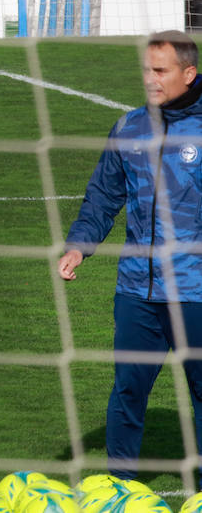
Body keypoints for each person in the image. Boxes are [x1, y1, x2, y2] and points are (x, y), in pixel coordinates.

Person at [59, 31, 202, 481]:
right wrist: (79, 245)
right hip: (137, 290)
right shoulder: (129, 127)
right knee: (127, 391)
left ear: (189, 73)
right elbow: (102, 196)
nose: (150, 79)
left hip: (195, 290)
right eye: (146, 70)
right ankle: (118, 488)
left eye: (161, 71)